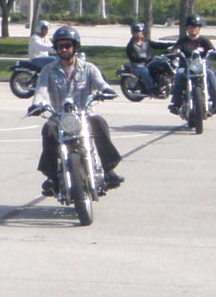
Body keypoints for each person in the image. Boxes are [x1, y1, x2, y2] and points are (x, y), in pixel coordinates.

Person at [28, 26, 124, 195]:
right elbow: (40, 92)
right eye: (60, 46)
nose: (64, 49)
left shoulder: (89, 68)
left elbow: (101, 83)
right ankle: (52, 177)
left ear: (75, 46)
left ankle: (109, 171)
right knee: (48, 129)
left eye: (67, 45)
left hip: (84, 115)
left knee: (99, 122)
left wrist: (107, 91)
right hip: (60, 118)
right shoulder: (48, 70)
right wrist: (37, 104)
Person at [167, 14, 216, 115]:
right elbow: (176, 48)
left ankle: (215, 101)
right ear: (187, 28)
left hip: (202, 67)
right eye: (191, 26)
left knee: (211, 74)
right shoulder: (183, 40)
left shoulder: (204, 41)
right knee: (179, 74)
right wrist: (173, 52)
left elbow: (212, 50)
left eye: (195, 26)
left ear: (199, 28)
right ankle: (176, 103)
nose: (193, 29)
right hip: (186, 67)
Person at [124, 21, 173, 95]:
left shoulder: (145, 41)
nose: (138, 33)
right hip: (137, 65)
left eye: (140, 31)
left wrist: (169, 44)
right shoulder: (131, 45)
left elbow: (156, 45)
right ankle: (151, 89)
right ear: (132, 33)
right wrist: (141, 60)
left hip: (149, 62)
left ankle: (168, 81)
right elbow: (131, 58)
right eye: (136, 32)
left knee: (164, 62)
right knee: (145, 71)